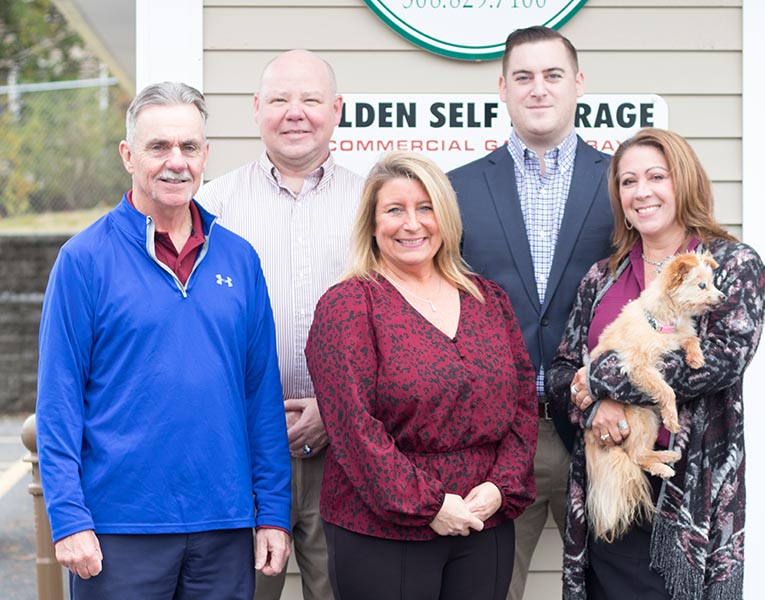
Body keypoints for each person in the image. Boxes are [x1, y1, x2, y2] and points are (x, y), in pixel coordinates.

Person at [35, 81, 292, 600]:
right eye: (159, 147)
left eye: (189, 147)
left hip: (224, 524)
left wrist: (274, 512)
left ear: (205, 155)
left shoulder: (239, 259)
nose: (176, 161)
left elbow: (260, 398)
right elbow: (58, 402)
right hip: (118, 530)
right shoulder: (84, 261)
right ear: (129, 155)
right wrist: (68, 517)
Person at [545, 128, 765, 599]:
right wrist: (592, 408)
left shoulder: (732, 267)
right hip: (611, 487)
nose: (641, 192)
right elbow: (564, 369)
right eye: (628, 182)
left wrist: (601, 380)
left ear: (682, 181)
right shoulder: (603, 278)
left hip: (687, 496)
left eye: (655, 176)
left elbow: (716, 365)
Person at [304, 151, 538, 600]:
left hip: (483, 520)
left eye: (425, 208)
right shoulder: (350, 306)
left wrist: (500, 488)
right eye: (395, 210)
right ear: (372, 225)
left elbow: (523, 403)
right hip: (384, 532)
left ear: (445, 218)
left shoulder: (487, 299)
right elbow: (353, 428)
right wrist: (428, 505)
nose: (412, 224)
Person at [448, 25, 614, 599]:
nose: (537, 89)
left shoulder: (623, 183)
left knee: (615, 584)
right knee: (487, 588)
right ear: (502, 86)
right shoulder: (457, 190)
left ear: (578, 84)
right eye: (523, 77)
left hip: (601, 429)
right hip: (495, 437)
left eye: (552, 75)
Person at [197, 49, 363, 600]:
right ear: (255, 109)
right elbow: (194, 334)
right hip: (241, 451)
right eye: (279, 100)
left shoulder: (373, 206)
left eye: (311, 99)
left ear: (336, 110)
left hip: (348, 452)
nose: (296, 113)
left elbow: (396, 327)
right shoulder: (211, 206)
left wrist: (334, 407)